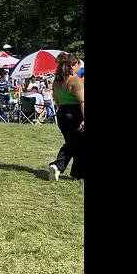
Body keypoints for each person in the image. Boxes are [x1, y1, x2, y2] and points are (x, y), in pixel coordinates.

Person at [47, 53, 85, 187]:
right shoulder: (75, 80)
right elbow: (82, 101)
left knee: (72, 143)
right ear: (73, 65)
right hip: (75, 114)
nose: (80, 67)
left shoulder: (57, 81)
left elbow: (57, 101)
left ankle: (59, 167)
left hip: (62, 114)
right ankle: (78, 174)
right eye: (79, 64)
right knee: (79, 144)